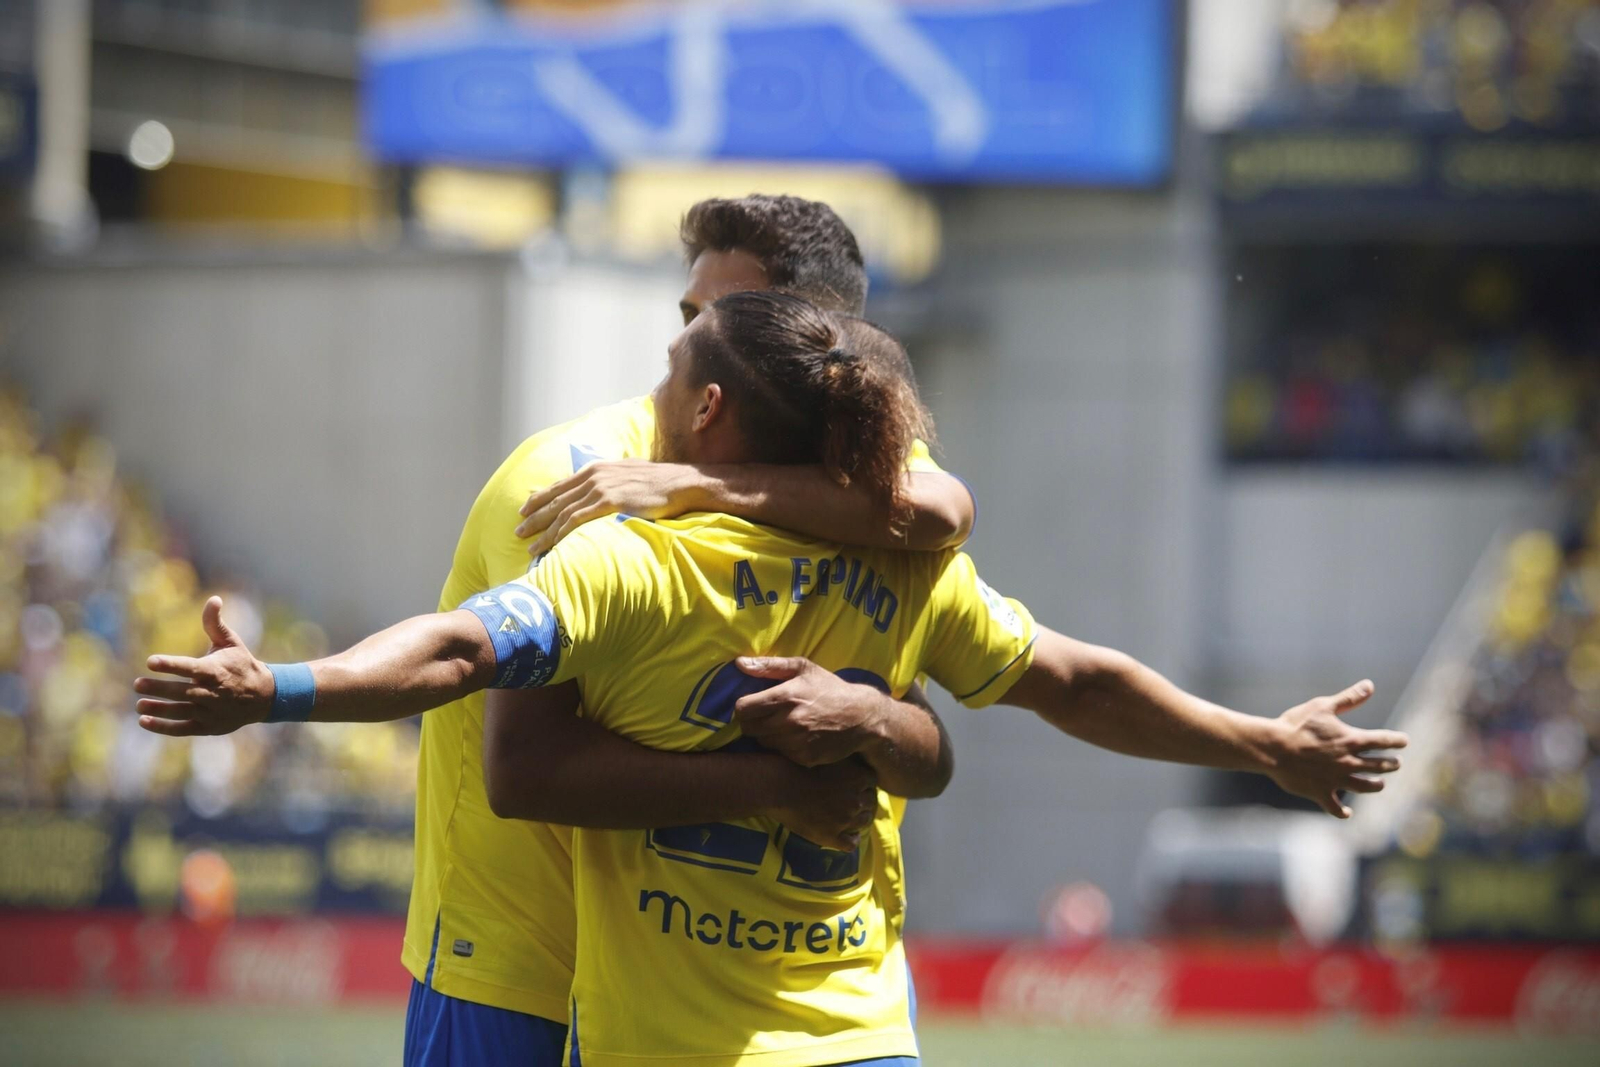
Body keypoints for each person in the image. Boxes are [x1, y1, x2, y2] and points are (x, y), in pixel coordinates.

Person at [138, 292, 1408, 1066]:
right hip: (858, 1032)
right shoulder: (909, 563)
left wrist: (283, 689)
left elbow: (458, 648)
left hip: (666, 1044)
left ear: (703, 420)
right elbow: (1073, 679)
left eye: (671, 372)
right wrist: (1257, 742)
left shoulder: (634, 563)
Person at [136, 195, 974, 1067]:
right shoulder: (574, 483)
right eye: (691, 319)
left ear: (818, 345)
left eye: (728, 322)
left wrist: (706, 491)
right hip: (521, 968)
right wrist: (279, 688)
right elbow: (519, 752)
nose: (686, 359)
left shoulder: (869, 498)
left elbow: (953, 526)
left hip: (750, 992)